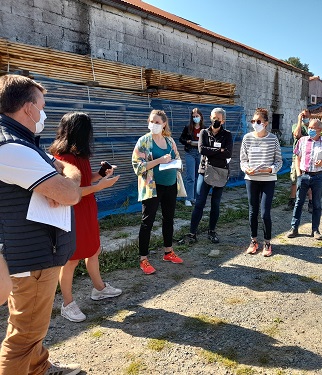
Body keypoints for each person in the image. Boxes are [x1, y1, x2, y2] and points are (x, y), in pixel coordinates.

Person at [0, 74, 82, 374]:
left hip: (36, 252)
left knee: (30, 325)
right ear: (28, 109)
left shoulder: (24, 144)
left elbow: (65, 173)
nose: (45, 113)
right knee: (23, 336)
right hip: (30, 258)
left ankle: (39, 368)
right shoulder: (11, 149)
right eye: (42, 105)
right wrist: (64, 179)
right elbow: (71, 192)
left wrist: (63, 174)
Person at [49, 112, 122, 323]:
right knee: (71, 259)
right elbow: (74, 190)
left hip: (87, 208)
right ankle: (67, 304)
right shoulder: (62, 157)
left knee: (93, 249)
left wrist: (100, 174)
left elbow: (84, 179)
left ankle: (99, 288)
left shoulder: (79, 155)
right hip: (73, 211)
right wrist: (100, 186)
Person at [132, 109, 184, 275]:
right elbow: (138, 166)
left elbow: (177, 157)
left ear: (164, 124)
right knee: (147, 221)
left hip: (170, 184)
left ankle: (168, 252)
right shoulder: (144, 141)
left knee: (168, 219)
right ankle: (143, 259)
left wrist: (176, 163)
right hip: (152, 187)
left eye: (157, 122)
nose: (153, 125)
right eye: (151, 121)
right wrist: (159, 161)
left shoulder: (169, 141)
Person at [182, 107, 233, 245]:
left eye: (217, 118)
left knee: (215, 203)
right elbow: (201, 149)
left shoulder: (227, 135)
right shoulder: (204, 132)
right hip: (204, 171)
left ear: (223, 120)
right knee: (199, 203)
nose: (214, 120)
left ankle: (212, 231)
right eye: (213, 117)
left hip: (220, 172)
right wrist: (219, 150)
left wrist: (212, 151)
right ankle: (192, 233)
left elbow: (228, 153)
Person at [240, 108, 282, 257]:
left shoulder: (273, 139)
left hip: (268, 180)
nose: (255, 124)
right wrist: (246, 169)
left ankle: (267, 242)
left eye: (258, 121)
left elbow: (279, 161)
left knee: (265, 213)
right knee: (253, 211)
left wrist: (270, 170)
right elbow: (243, 160)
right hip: (251, 179)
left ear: (265, 123)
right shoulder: (247, 138)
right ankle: (253, 241)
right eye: (253, 121)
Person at [286, 119, 322, 240]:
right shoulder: (302, 141)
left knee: (316, 204)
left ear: (320, 130)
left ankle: (315, 230)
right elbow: (297, 157)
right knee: (298, 203)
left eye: (313, 128)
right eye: (309, 127)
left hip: (318, 176)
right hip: (304, 175)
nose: (310, 129)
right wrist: (298, 173)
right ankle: (294, 228)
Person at [285, 109, 313, 212]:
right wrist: (299, 121)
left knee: (309, 181)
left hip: (308, 158)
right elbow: (297, 135)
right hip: (296, 158)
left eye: (306, 116)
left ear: (310, 117)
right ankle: (292, 201)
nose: (304, 118)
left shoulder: (312, 128)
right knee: (294, 181)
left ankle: (311, 203)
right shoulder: (296, 126)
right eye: (303, 116)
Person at [179, 108, 205, 206]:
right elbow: (181, 139)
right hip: (190, 152)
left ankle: (195, 197)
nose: (195, 118)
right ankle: (188, 198)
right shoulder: (188, 127)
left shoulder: (205, 129)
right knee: (190, 177)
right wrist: (187, 142)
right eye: (193, 116)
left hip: (200, 153)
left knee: (198, 176)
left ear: (201, 117)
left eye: (197, 116)